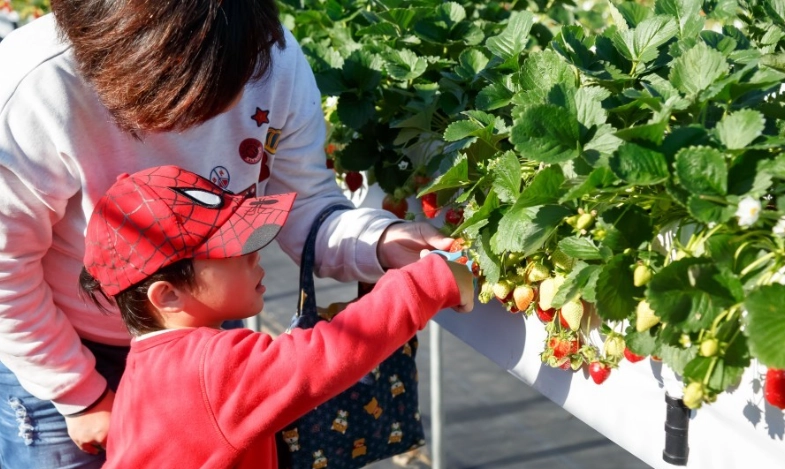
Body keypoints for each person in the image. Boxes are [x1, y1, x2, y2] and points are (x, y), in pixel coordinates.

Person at [0, 1, 457, 467]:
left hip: (198, 321)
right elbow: (325, 357)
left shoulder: (262, 50)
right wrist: (79, 395)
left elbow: (305, 201)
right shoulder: (33, 88)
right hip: (56, 346)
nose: (255, 253)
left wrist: (380, 242)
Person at [76, 165, 474, 468]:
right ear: (167, 296)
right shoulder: (208, 368)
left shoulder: (145, 370)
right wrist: (429, 282)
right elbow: (326, 355)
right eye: (232, 248)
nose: (254, 254)